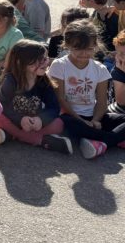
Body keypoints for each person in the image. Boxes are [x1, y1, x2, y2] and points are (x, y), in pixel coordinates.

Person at [48, 20, 125, 158]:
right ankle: (110, 139)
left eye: (89, 48)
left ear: (95, 46)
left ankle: (101, 142)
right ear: (67, 45)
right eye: (78, 48)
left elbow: (102, 102)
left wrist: (95, 120)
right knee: (65, 123)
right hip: (69, 116)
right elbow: (61, 99)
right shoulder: (59, 65)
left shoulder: (99, 68)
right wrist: (82, 121)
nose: (84, 53)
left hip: (93, 115)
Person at [0, 40, 71, 153]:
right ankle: (41, 141)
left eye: (46, 58)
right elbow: (3, 105)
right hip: (14, 119)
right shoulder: (11, 80)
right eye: (41, 60)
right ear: (21, 62)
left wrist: (41, 120)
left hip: (35, 123)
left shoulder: (44, 80)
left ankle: (11, 135)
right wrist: (20, 119)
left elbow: (54, 107)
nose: (46, 62)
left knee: (59, 124)